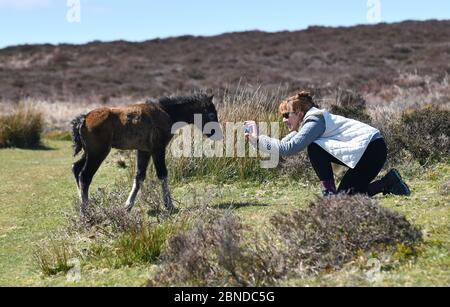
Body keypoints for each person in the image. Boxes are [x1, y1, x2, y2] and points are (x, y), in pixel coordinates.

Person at [244, 91, 411, 197]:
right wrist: (254, 140)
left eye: (287, 115)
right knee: (345, 199)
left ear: (300, 113)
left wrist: (258, 138)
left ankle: (329, 193)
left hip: (371, 151)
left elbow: (289, 149)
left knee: (315, 147)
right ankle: (388, 183)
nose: (284, 120)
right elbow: (282, 145)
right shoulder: (308, 124)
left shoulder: (314, 120)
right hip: (371, 150)